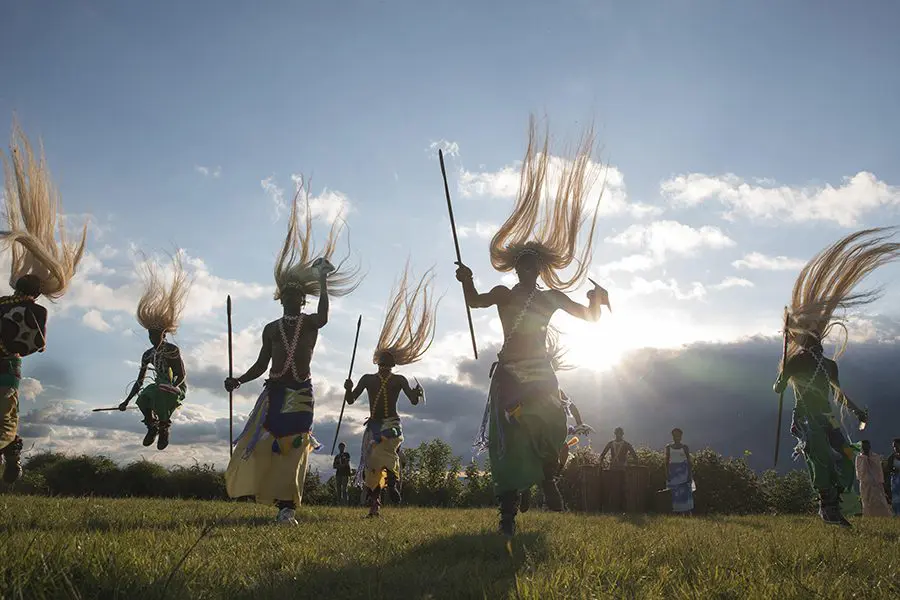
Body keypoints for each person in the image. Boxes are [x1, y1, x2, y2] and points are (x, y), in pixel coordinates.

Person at [455, 116, 609, 537]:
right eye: (521, 264)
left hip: (542, 373)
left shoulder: (550, 298)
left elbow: (589, 319)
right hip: (509, 374)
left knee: (553, 426)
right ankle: (507, 513)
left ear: (540, 269)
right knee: (509, 439)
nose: (526, 269)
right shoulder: (504, 294)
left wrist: (597, 300)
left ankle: (547, 476)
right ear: (515, 267)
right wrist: (467, 279)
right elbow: (474, 301)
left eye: (532, 265)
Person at [223, 183, 360, 525]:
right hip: (275, 391)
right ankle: (273, 498)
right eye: (287, 294)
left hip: (301, 392)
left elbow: (324, 316)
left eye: (297, 295)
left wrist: (323, 281)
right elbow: (261, 364)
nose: (291, 298)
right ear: (280, 298)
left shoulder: (311, 323)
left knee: (295, 446)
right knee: (268, 445)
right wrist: (239, 379)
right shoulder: (271, 328)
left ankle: (288, 506)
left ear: (303, 299)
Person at [773, 228, 900, 528]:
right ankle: (827, 506)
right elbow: (779, 388)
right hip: (806, 418)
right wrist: (782, 379)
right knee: (819, 454)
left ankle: (833, 501)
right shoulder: (796, 362)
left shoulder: (828, 365)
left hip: (827, 418)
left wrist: (855, 411)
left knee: (845, 456)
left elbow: (837, 393)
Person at [0, 121, 86, 483]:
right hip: (9, 369)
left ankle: (12, 451)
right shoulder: (24, 306)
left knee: (5, 418)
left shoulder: (17, 306)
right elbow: (38, 343)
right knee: (5, 417)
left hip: (8, 371)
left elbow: (35, 342)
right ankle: (12, 451)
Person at [344, 264, 434, 517]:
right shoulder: (380, 379)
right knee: (378, 463)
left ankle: (387, 489)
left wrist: (417, 393)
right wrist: (348, 389)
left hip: (384, 425)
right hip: (382, 426)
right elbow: (351, 400)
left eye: (386, 362)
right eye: (384, 362)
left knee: (378, 461)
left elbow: (351, 400)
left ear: (386, 363)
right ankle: (382, 495)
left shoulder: (385, 379)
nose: (384, 365)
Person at [118, 253, 191, 450]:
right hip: (159, 387)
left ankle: (164, 427)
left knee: (159, 393)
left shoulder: (172, 350)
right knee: (144, 398)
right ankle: (152, 426)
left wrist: (172, 387)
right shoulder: (148, 355)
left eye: (155, 335)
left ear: (163, 334)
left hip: (175, 388)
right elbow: (139, 381)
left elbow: (182, 374)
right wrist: (126, 401)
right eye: (150, 335)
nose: (152, 338)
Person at [855, 440, 891, 517]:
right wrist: (865, 460)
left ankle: (883, 515)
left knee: (879, 500)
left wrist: (880, 481)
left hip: (876, 483)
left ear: (869, 447)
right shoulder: (859, 458)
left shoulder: (875, 457)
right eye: (863, 446)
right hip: (865, 483)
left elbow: (879, 470)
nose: (865, 448)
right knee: (866, 500)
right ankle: (869, 515)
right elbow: (859, 471)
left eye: (866, 446)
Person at [665, 428, 694, 515]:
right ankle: (676, 514)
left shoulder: (685, 447)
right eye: (675, 435)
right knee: (674, 493)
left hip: (684, 474)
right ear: (672, 436)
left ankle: (687, 513)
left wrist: (689, 475)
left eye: (678, 435)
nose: (676, 437)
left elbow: (689, 462)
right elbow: (666, 462)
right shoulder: (668, 447)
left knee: (685, 493)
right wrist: (667, 474)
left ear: (681, 436)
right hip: (673, 474)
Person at [888, 438, 900, 516]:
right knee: (896, 500)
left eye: (897, 446)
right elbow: (889, 469)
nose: (895, 448)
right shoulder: (892, 457)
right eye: (894, 446)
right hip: (896, 481)